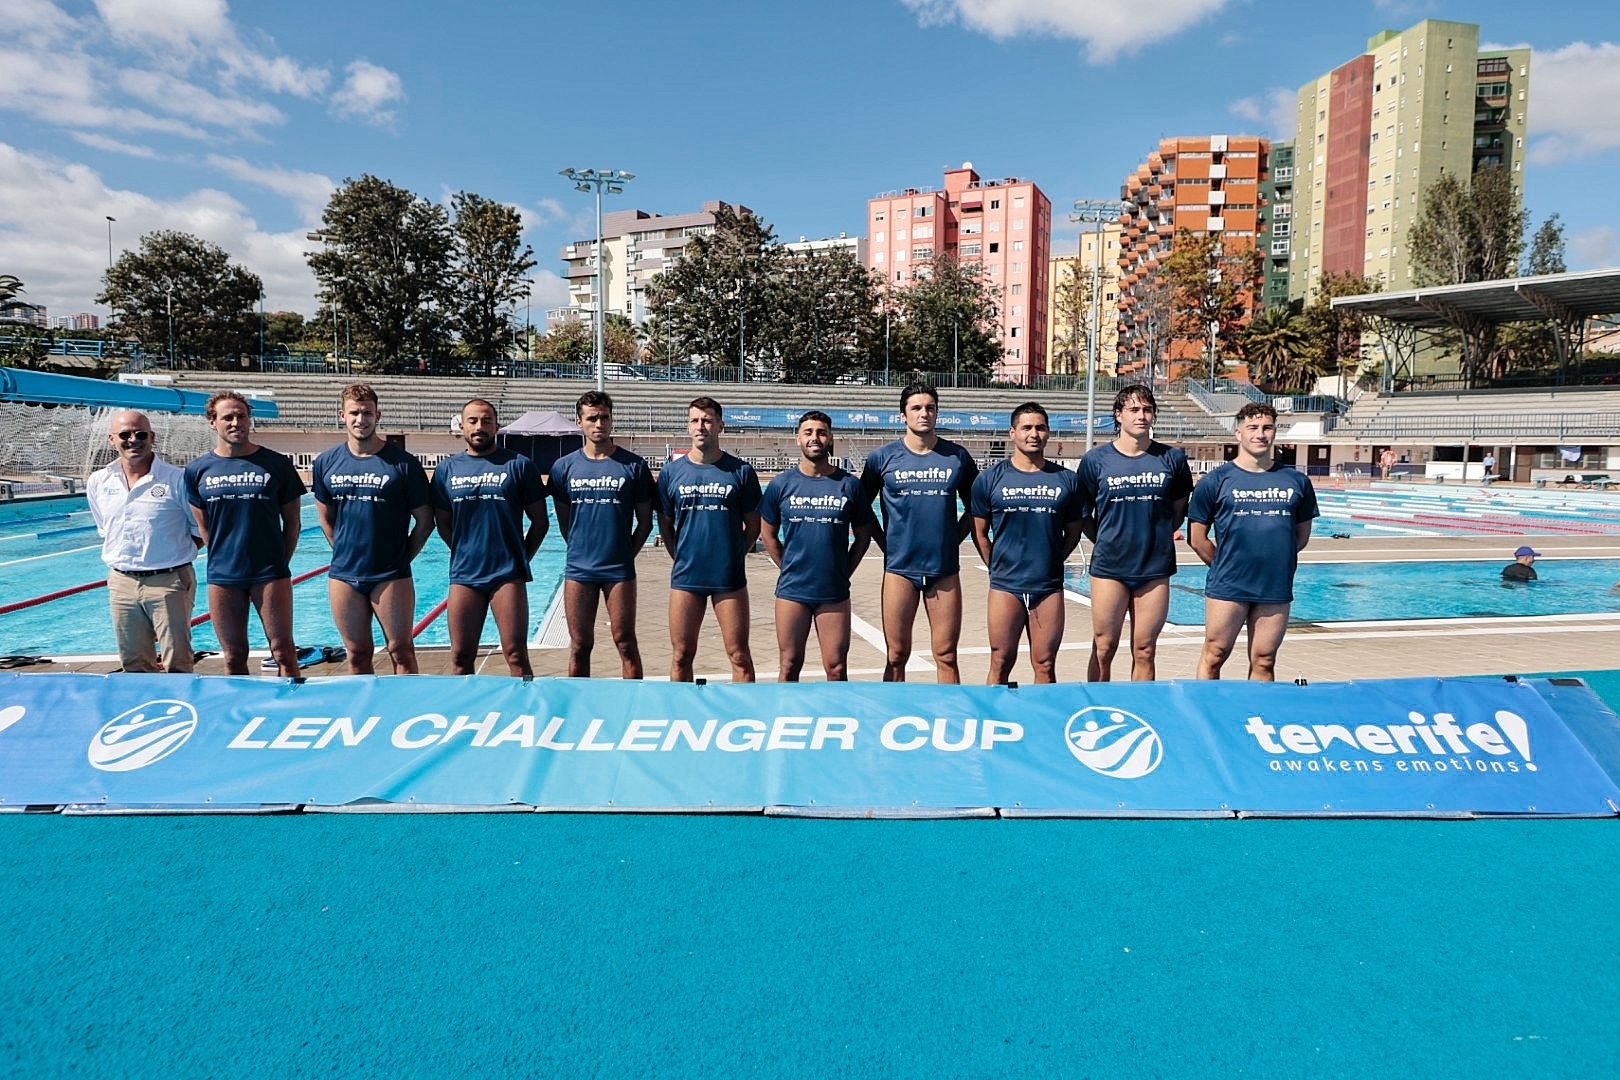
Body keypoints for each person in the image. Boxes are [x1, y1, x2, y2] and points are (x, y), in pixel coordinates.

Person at [1188, 403, 1319, 680]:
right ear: (1238, 433)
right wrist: (1226, 564)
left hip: (1274, 584)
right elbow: (1197, 538)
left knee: (1264, 660)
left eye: (1267, 427)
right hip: (1229, 583)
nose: (1260, 434)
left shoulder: (1296, 481)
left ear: (1274, 432)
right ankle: (1206, 715)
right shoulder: (1216, 481)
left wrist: (1273, 559)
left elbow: (1301, 536)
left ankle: (1256, 717)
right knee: (1215, 653)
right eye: (1253, 428)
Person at [859, 382, 979, 683]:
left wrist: (954, 537)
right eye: (916, 408)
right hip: (900, 570)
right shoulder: (882, 458)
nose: (923, 413)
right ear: (903, 415)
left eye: (930, 408)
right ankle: (892, 715)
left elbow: (978, 507)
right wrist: (884, 542)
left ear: (937, 413)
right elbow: (860, 510)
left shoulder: (957, 457)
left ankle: (951, 722)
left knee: (947, 655)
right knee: (896, 655)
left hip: (944, 570)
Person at [311, 384, 434, 675]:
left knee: (401, 650)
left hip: (391, 575)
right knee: (356, 653)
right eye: (354, 412)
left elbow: (425, 521)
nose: (360, 419)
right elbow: (325, 518)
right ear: (342, 415)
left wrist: (402, 557)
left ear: (378, 415)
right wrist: (344, 550)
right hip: (344, 574)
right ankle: (364, 712)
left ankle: (407, 711)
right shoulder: (326, 462)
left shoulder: (402, 463)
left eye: (367, 412)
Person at [1075, 384, 1192, 682]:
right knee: (1104, 646)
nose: (1141, 416)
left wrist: (1159, 535)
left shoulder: (1172, 459)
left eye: (1147, 409)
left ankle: (1139, 708)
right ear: (1118, 415)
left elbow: (1179, 508)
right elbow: (1083, 513)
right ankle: (1098, 705)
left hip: (1154, 567)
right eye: (1134, 409)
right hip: (1110, 567)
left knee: (1145, 649)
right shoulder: (1095, 460)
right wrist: (1104, 539)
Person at [184, 391, 305, 676]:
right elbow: (204, 527)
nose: (236, 422)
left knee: (283, 651)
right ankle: (240, 714)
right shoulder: (197, 470)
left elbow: (293, 523)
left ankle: (292, 708)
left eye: (241, 416)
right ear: (213, 422)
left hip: (269, 572)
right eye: (228, 417)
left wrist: (278, 562)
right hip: (224, 574)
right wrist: (225, 557)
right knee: (233, 655)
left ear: (250, 420)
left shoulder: (276, 464)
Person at [430, 399, 548, 677]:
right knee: (460, 656)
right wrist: (465, 551)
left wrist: (519, 557)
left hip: (507, 574)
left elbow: (540, 522)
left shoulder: (519, 466)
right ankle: (466, 714)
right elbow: (442, 523)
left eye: (486, 420)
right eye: (472, 421)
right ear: (462, 426)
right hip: (465, 575)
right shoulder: (447, 470)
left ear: (497, 425)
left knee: (516, 653)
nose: (479, 426)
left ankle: (524, 711)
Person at [970, 402, 1084, 685]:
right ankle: (994, 717)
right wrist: (995, 564)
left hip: (1047, 586)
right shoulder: (990, 479)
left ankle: (1043, 724)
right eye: (1027, 427)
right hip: (1005, 585)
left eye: (1040, 427)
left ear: (1048, 433)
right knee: (1000, 659)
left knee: (1045, 664)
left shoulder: (1067, 480)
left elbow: (1074, 531)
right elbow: (980, 533)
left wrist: (1055, 559)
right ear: (1013, 433)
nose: (1034, 434)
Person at [759, 411, 874, 682]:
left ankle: (836, 720)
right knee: (789, 665)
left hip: (833, 590)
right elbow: (768, 534)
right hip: (793, 590)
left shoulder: (848, 485)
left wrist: (844, 570)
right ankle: (786, 718)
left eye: (821, 432)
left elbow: (863, 536)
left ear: (830, 438)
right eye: (808, 432)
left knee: (836, 668)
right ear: (798, 438)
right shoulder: (781, 484)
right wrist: (787, 566)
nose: (815, 438)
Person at [86, 409, 203, 673]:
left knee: (178, 662)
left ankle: (182, 709)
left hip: (169, 581)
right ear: (111, 439)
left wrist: (171, 558)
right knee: (133, 663)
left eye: (140, 434)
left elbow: (198, 530)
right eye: (124, 435)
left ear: (152, 437)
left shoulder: (177, 479)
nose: (133, 440)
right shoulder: (99, 481)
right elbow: (106, 529)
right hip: (121, 582)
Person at [548, 391, 654, 678]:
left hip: (618, 569)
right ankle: (577, 703)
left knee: (625, 641)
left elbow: (645, 523)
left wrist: (623, 552)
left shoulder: (633, 466)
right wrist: (583, 549)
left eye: (604, 417)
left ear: (611, 419)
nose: (599, 424)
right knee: (580, 645)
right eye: (592, 418)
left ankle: (632, 701)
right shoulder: (564, 467)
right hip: (579, 569)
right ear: (579, 421)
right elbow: (564, 522)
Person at [657, 396, 761, 683]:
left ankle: (744, 718)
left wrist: (736, 553)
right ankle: (681, 713)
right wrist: (679, 554)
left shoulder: (740, 472)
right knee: (681, 654)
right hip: (686, 576)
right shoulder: (671, 473)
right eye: (694, 420)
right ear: (688, 426)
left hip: (728, 577)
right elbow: (665, 523)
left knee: (739, 655)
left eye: (707, 420)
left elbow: (754, 524)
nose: (700, 426)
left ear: (720, 426)